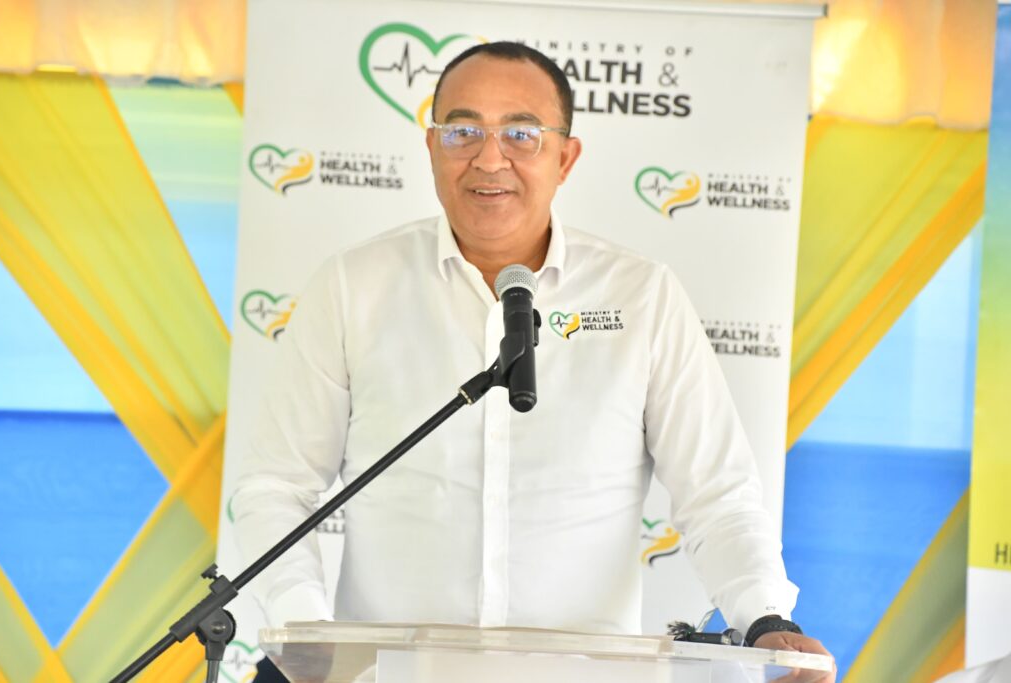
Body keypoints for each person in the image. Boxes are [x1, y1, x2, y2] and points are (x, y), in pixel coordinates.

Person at [234, 42, 836, 682]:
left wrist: (765, 617)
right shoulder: (353, 287)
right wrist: (305, 630)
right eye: (463, 131)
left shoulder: (641, 297)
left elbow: (718, 495)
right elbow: (277, 485)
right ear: (432, 146)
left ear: (565, 158)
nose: (489, 158)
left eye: (521, 134)